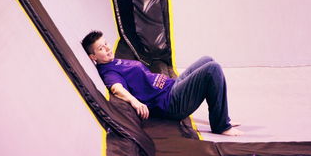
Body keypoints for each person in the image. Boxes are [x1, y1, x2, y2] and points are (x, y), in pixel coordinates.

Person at [82, 30, 243, 136]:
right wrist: (135, 102)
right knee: (212, 69)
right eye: (101, 49)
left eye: (106, 44)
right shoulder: (108, 72)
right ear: (93, 57)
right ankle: (221, 125)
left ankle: (221, 116)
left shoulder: (113, 61)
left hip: (171, 86)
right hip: (171, 102)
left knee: (207, 60)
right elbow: (116, 88)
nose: (107, 49)